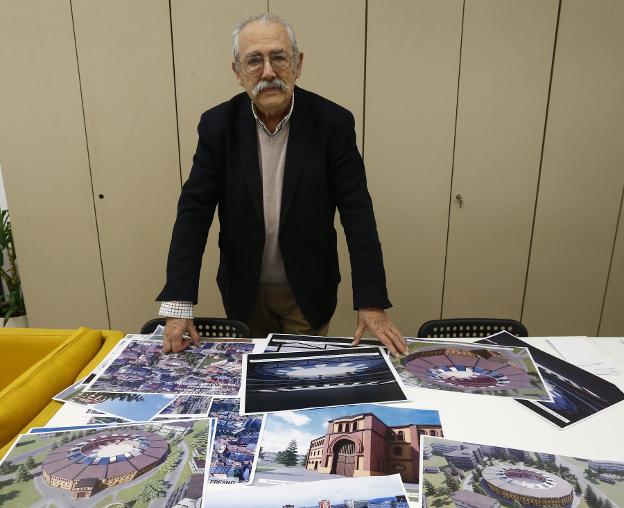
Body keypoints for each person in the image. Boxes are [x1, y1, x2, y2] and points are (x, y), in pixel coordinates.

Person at [157, 13, 406, 356]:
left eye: (278, 57)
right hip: (244, 290)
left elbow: (357, 214)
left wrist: (372, 302)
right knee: (252, 383)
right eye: (254, 61)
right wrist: (179, 304)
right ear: (238, 72)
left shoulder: (333, 124)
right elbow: (193, 214)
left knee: (301, 385)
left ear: (298, 64)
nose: (269, 72)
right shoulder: (217, 127)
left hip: (307, 292)